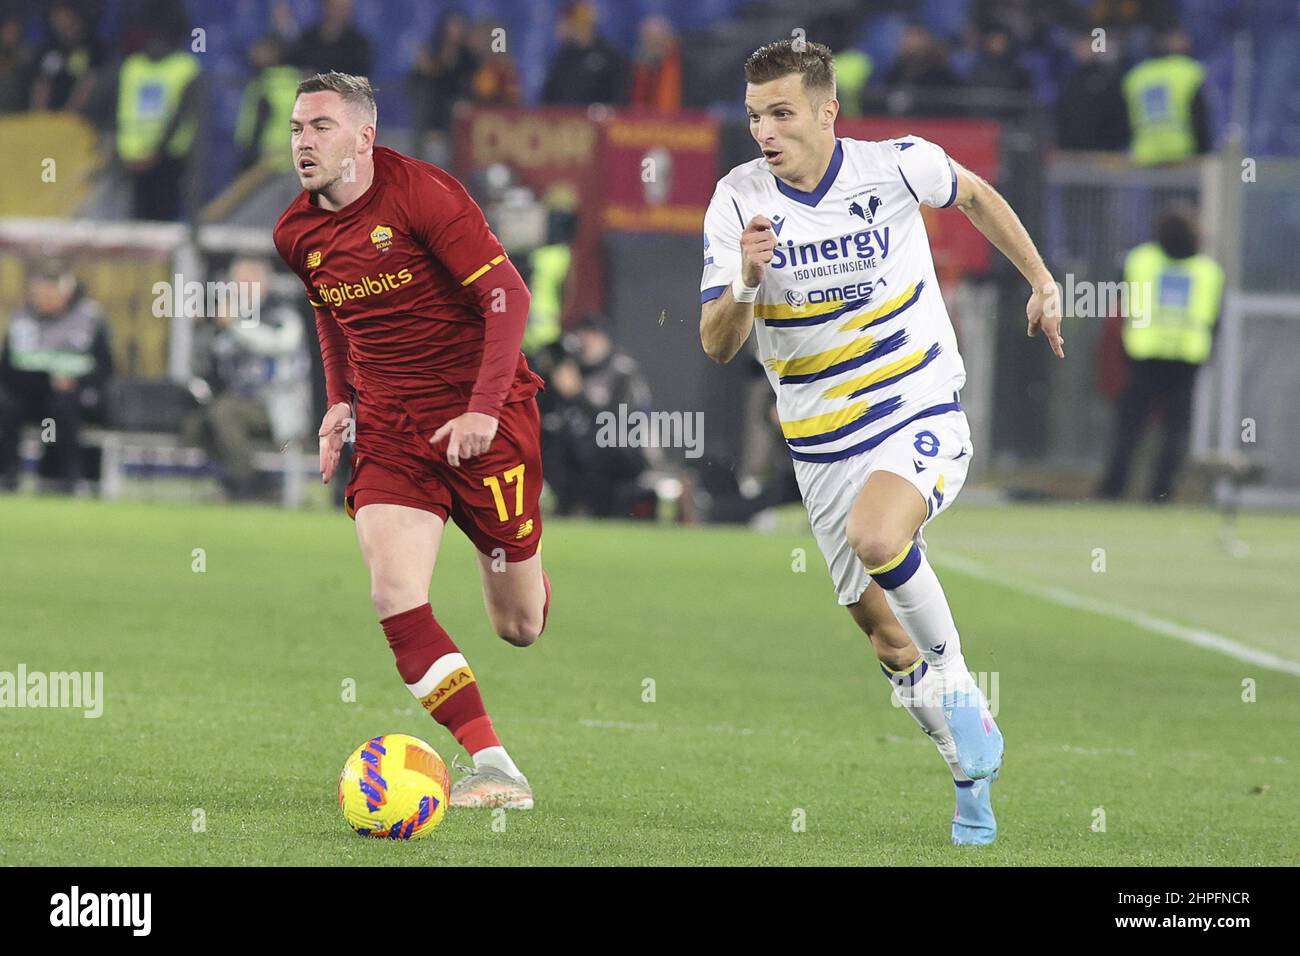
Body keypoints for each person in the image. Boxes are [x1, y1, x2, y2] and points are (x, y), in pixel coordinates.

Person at [699, 40, 1064, 845]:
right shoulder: (736, 202)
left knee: (878, 535)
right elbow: (718, 343)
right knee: (887, 637)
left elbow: (973, 196)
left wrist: (1040, 280)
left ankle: (963, 689)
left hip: (916, 403)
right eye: (756, 114)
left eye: (784, 113)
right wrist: (747, 282)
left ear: (829, 112)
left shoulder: (897, 165)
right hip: (820, 444)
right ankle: (970, 772)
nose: (766, 129)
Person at [273, 72, 548, 811]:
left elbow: (508, 295)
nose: (304, 142)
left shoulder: (424, 194)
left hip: (485, 423)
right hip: (395, 434)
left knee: (519, 625)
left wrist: (484, 411)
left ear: (365, 136)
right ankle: (494, 766)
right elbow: (330, 312)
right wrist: (339, 401)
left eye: (321, 127)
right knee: (394, 590)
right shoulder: (294, 233)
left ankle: (522, 559)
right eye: (297, 128)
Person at [1098, 207, 1224, 502]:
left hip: (1144, 355)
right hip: (1187, 358)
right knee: (1175, 431)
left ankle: (1114, 489)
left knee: (1129, 426)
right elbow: (1215, 320)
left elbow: (1120, 306)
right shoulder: (1209, 271)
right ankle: (1161, 493)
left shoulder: (1141, 260)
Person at [184, 257, 311, 500]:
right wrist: (203, 328)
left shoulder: (282, 312)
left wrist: (236, 325)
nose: (238, 288)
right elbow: (210, 366)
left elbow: (278, 343)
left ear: (262, 282)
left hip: (276, 406)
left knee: (223, 414)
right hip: (237, 403)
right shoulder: (231, 319)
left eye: (244, 281)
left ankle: (253, 484)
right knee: (195, 426)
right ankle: (235, 480)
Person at [0, 254, 113, 491]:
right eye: (39, 293)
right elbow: (7, 365)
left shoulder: (89, 318)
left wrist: (78, 380)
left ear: (65, 292)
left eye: (49, 293)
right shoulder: (22, 318)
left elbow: (104, 366)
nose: (43, 299)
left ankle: (62, 474)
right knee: (6, 406)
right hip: (27, 392)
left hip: (68, 394)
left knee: (57, 414)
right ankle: (8, 472)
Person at [115, 25, 201, 220]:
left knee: (163, 221)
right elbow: (121, 110)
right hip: (133, 160)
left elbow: (183, 115)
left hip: (169, 160)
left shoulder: (185, 67)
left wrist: (157, 153)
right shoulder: (132, 66)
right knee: (136, 223)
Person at [1122, 27, 1211, 166]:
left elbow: (1126, 121)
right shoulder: (1190, 71)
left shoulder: (1137, 75)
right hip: (1183, 154)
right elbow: (1200, 118)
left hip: (1146, 156)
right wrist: (1205, 153)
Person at [540, 2, 627, 106]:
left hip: (598, 119)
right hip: (566, 119)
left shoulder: (610, 55)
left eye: (567, 23)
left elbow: (619, 98)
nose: (560, 28)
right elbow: (549, 96)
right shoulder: (563, 55)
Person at [288, 0, 373, 78]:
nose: (339, 12)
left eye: (343, 8)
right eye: (336, 7)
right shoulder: (307, 39)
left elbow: (359, 80)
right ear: (325, 7)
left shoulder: (358, 45)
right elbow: (294, 66)